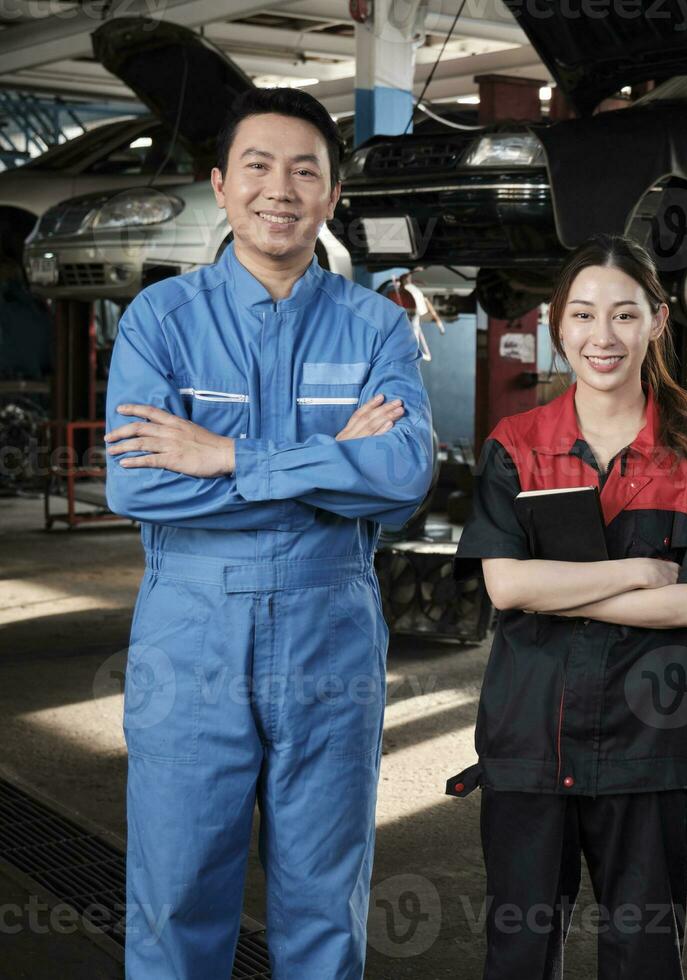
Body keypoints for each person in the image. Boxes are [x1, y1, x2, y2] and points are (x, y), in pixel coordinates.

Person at [103, 87, 435, 978]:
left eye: (304, 172)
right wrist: (330, 465)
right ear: (221, 184)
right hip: (191, 634)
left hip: (331, 633)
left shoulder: (376, 327)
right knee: (176, 896)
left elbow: (403, 480)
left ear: (331, 197)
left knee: (325, 900)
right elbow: (136, 484)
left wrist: (226, 459)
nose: (278, 189)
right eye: (257, 166)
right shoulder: (161, 322)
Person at [448, 233, 687, 979]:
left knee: (645, 956)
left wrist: (567, 590)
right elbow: (508, 587)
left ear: (658, 320)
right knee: (520, 955)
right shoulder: (516, 446)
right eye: (584, 315)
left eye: (624, 316)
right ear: (557, 324)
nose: (602, 336)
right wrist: (638, 573)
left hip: (650, 746)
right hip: (530, 739)